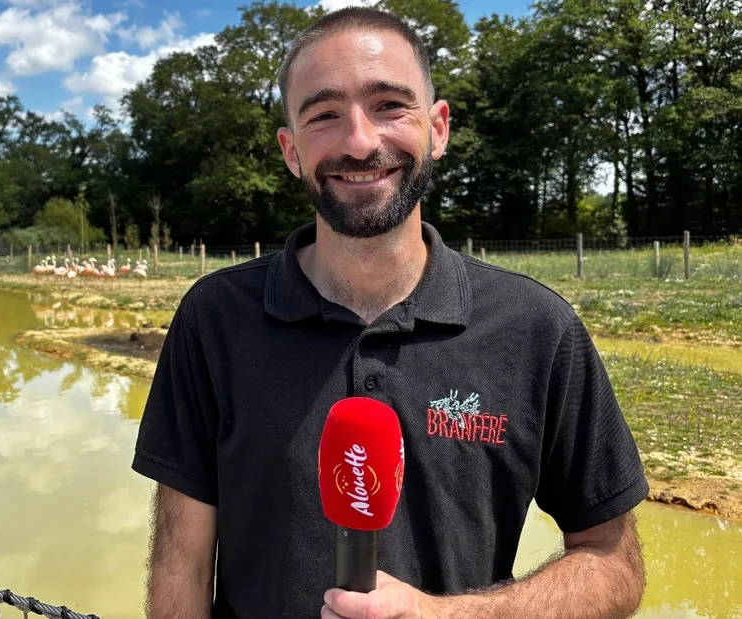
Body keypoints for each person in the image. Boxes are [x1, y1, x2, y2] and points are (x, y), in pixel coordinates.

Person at [130, 7, 649, 619]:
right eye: (324, 115)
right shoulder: (213, 320)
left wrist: (447, 617)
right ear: (291, 151)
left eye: (389, 105)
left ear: (438, 127)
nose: (359, 141)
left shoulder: (538, 329)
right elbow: (180, 563)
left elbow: (614, 562)